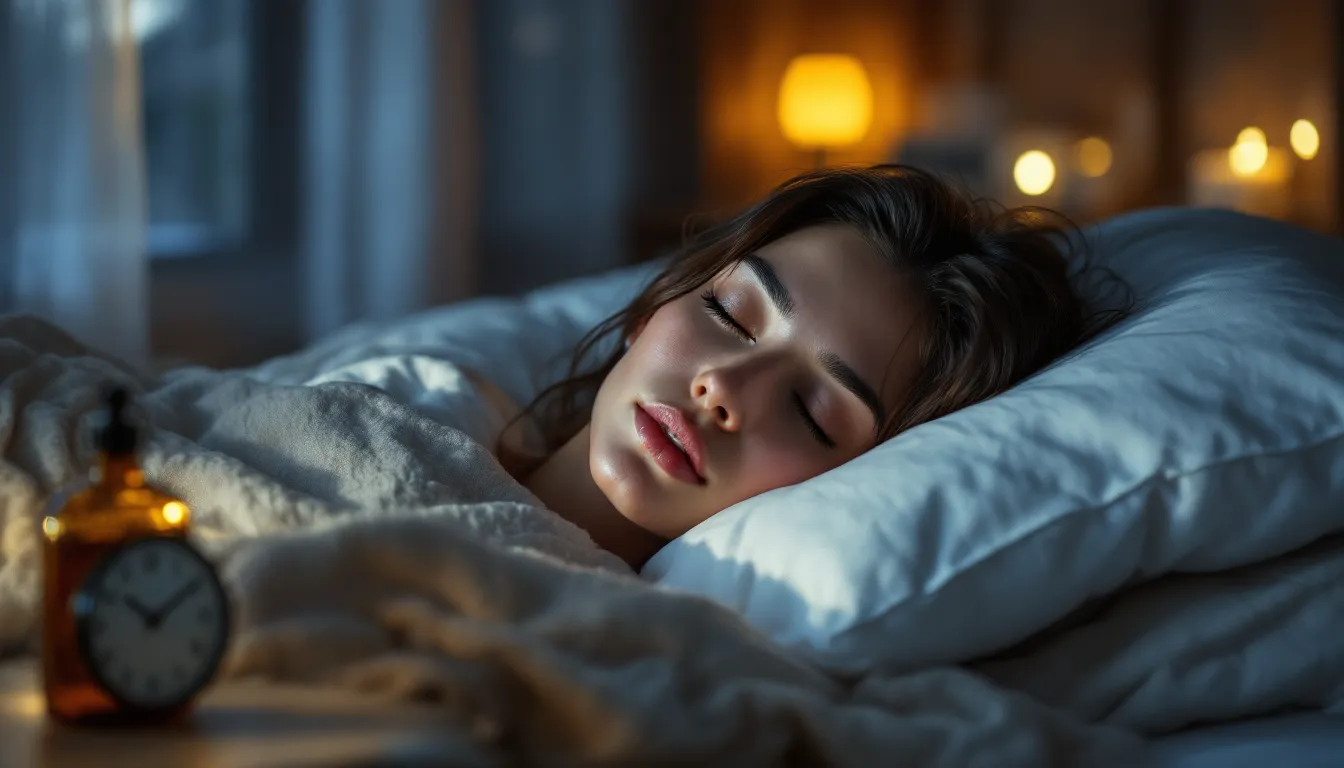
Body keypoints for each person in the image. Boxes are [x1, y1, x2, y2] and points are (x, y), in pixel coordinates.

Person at [474, 165, 1129, 569]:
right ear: (655, 305)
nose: (722, 388)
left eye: (811, 413)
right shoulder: (426, 416)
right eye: (731, 314)